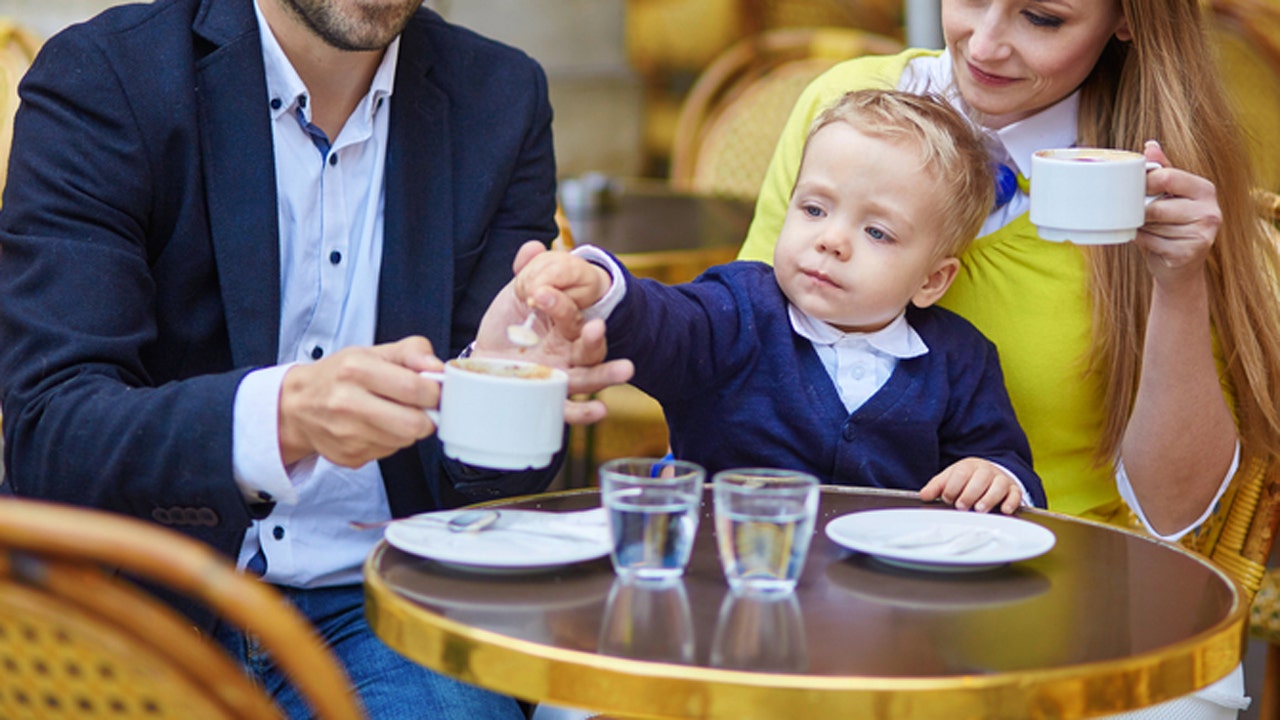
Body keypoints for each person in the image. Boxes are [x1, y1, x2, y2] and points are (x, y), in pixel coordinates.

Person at [0, 0, 632, 718]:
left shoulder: (499, 97)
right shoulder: (109, 76)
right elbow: (51, 431)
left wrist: (491, 384)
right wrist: (285, 418)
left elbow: (480, 499)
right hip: (131, 605)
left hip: (378, 608)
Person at [736, 0, 1280, 715]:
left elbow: (1175, 515)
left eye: (1042, 18)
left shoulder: (1159, 181)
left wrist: (1178, 287)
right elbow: (740, 349)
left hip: (1067, 608)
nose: (985, 42)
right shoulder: (842, 111)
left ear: (1126, 19)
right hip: (823, 584)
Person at [502, 89, 1047, 512]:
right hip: (722, 585)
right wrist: (600, 287)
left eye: (877, 232)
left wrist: (994, 476)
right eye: (814, 209)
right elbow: (662, 324)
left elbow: (1004, 464)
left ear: (932, 280)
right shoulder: (737, 309)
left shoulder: (960, 360)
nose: (831, 239)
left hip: (884, 613)